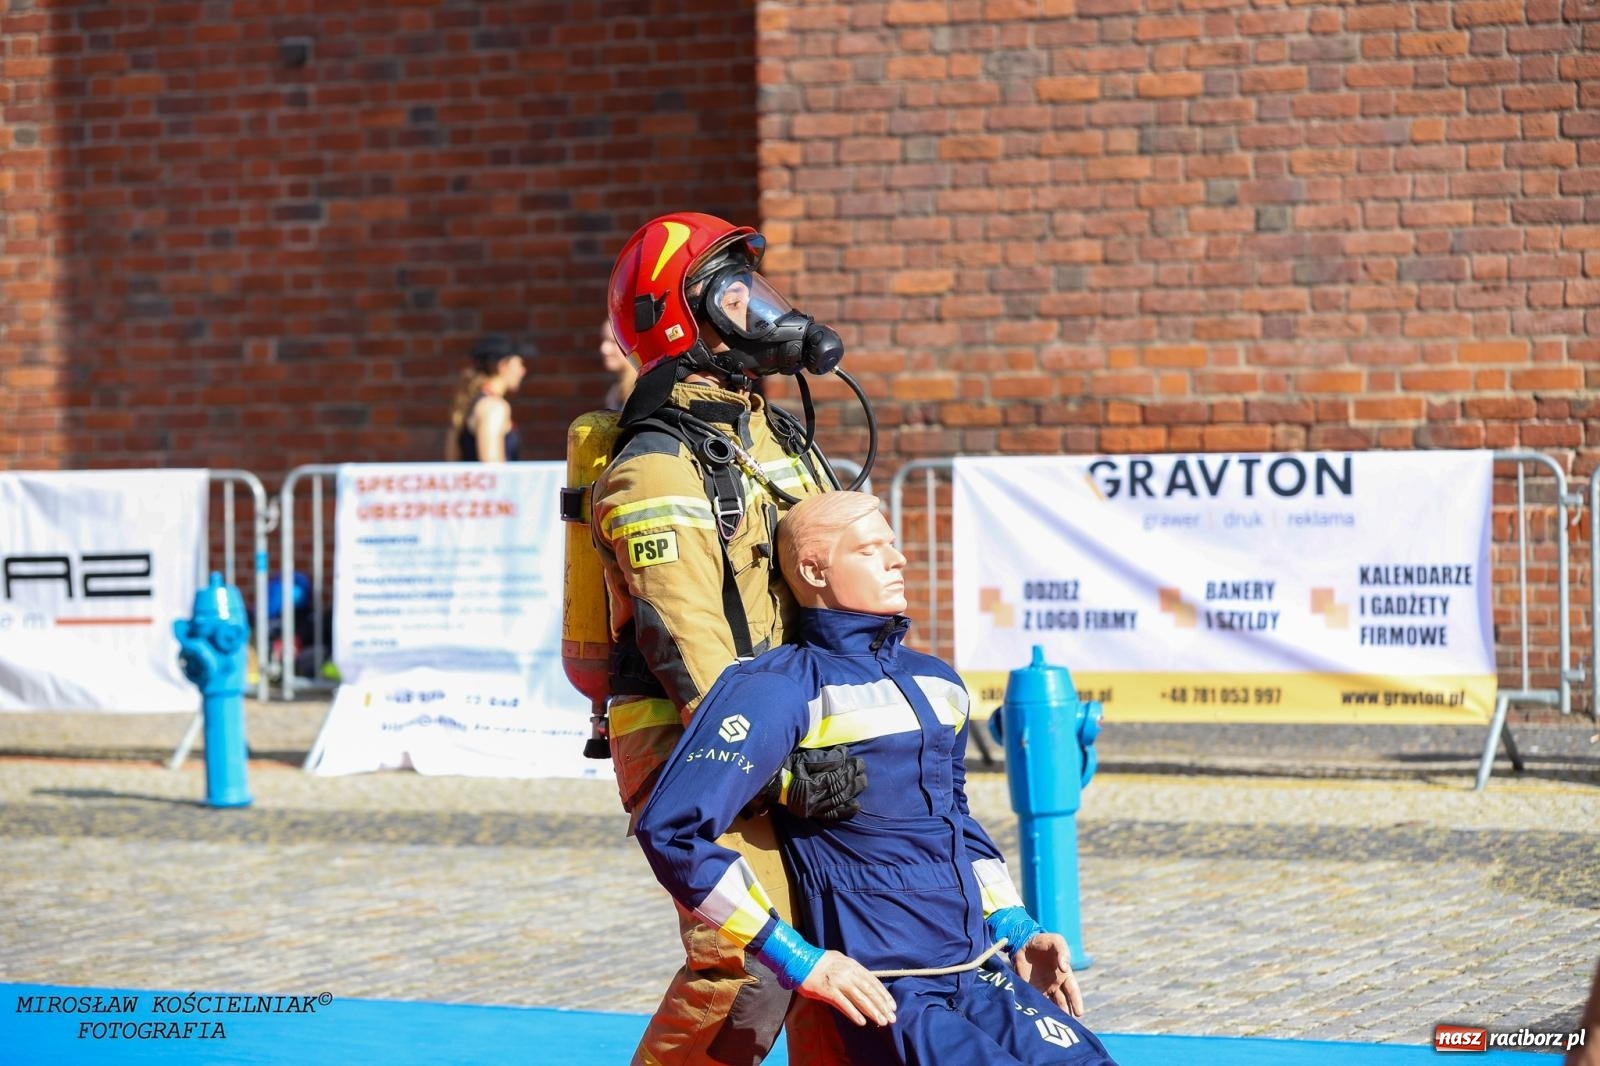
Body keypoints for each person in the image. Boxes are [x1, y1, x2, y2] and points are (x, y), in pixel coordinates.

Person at [635, 491, 1119, 1066]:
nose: (899, 559)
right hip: (887, 986)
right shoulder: (780, 686)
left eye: (891, 542)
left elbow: (955, 820)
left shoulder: (938, 682)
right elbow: (671, 830)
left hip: (977, 969)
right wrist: (798, 959)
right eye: (870, 549)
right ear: (814, 571)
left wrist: (1019, 927)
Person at [592, 212, 864, 1066]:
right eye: (738, 298)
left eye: (760, 293)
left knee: (842, 947)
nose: (768, 315)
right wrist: (765, 759)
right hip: (699, 743)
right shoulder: (655, 467)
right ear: (683, 318)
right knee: (747, 960)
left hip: (802, 734)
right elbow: (687, 637)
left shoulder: (772, 438)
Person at [444, 333, 526, 462]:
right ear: (503, 366)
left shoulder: (468, 402)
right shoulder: (494, 407)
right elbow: (492, 469)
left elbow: (451, 460)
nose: (523, 370)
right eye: (519, 364)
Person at [599, 317, 638, 411]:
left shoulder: (642, 392)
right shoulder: (614, 391)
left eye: (613, 342)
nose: (603, 349)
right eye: (603, 340)